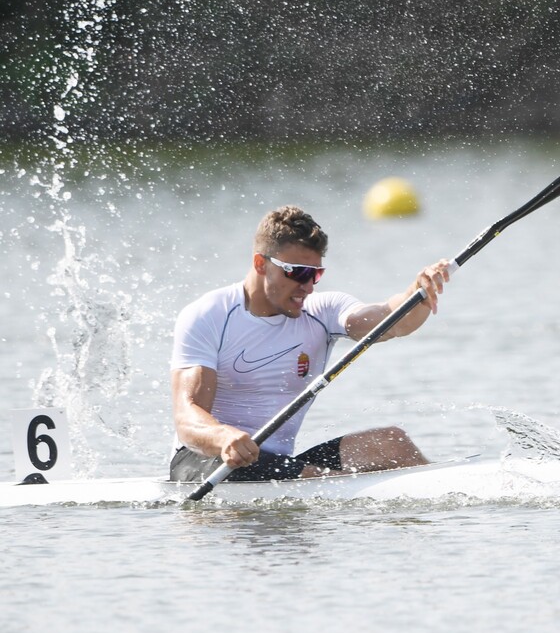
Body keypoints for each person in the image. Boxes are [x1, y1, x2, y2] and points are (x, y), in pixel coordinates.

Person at [168, 205, 451, 482]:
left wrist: (417, 294)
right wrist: (224, 437)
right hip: (206, 460)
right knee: (285, 471)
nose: (308, 286)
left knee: (393, 443)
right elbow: (187, 418)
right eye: (297, 273)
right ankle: (339, 487)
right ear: (260, 264)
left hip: (283, 465)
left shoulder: (321, 311)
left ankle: (440, 488)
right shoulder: (210, 315)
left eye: (315, 274)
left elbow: (391, 320)